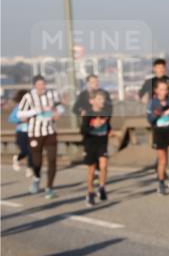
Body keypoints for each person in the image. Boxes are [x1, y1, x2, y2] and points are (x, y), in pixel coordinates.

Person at [17, 75, 65, 199]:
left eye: (43, 84)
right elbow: (20, 114)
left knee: (52, 160)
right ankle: (37, 178)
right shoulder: (28, 97)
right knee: (37, 161)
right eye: (39, 84)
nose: (42, 87)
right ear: (34, 85)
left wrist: (58, 112)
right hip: (35, 133)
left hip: (50, 131)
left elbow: (60, 107)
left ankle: (49, 188)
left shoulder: (52, 94)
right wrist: (37, 110)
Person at [74, 74, 114, 203]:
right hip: (91, 143)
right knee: (91, 170)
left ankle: (102, 188)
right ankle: (90, 192)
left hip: (102, 142)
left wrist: (109, 129)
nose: (102, 101)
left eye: (103, 100)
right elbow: (83, 130)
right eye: (99, 99)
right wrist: (92, 126)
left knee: (104, 165)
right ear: (93, 101)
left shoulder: (106, 110)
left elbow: (108, 121)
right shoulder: (87, 111)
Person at [147, 79, 169, 195]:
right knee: (163, 161)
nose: (164, 92)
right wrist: (159, 113)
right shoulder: (152, 103)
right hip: (159, 132)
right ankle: (161, 183)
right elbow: (150, 119)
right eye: (161, 89)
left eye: (166, 89)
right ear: (156, 91)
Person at [9, 89, 35, 176]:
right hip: (21, 132)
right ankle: (17, 158)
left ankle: (30, 168)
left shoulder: (33, 106)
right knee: (25, 150)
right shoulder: (18, 107)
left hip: (32, 131)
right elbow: (11, 118)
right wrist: (20, 120)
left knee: (32, 151)